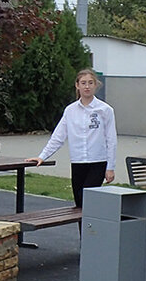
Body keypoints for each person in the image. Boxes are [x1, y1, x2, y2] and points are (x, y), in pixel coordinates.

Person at [24, 68, 117, 208]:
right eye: (83, 83)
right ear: (77, 85)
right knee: (79, 204)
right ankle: (83, 231)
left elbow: (111, 139)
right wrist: (42, 156)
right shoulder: (70, 110)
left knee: (89, 201)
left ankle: (95, 229)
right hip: (78, 162)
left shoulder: (105, 110)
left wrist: (110, 167)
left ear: (95, 85)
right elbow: (58, 137)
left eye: (90, 83)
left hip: (97, 162)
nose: (87, 86)